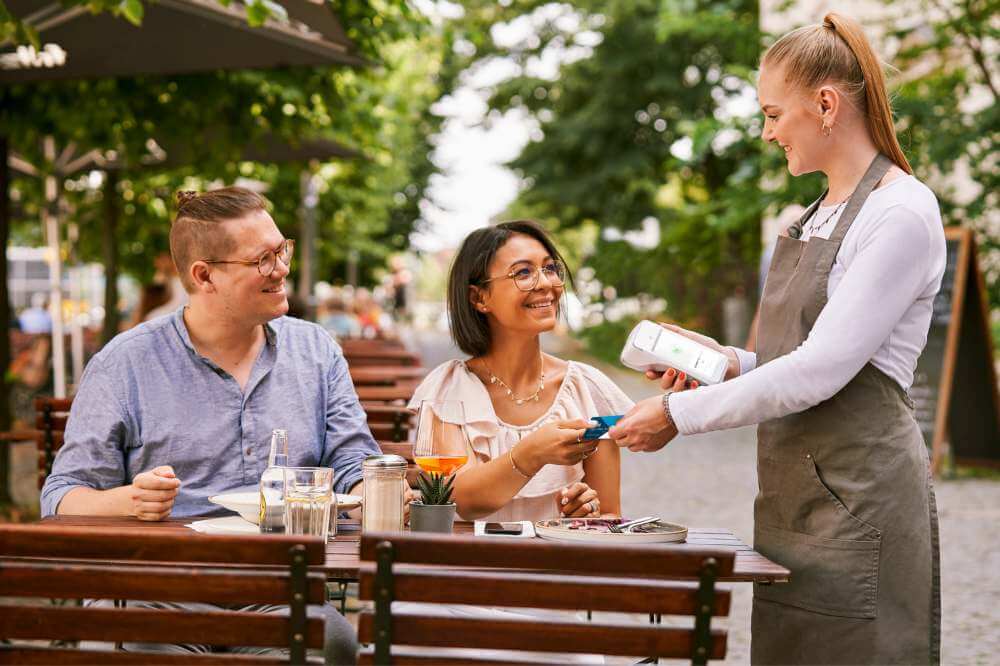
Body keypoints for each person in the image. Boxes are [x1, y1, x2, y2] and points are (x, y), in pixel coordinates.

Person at [610, 13, 942, 664]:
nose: (766, 133)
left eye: (772, 113)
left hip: (861, 500)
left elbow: (820, 372)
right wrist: (725, 363)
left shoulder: (899, 213)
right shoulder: (810, 218)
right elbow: (797, 361)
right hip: (793, 505)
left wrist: (677, 415)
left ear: (825, 105)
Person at [40, 187, 379, 664]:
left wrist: (368, 486)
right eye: (262, 259)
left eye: (281, 250)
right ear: (204, 276)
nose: (281, 268)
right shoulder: (124, 363)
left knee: (331, 643)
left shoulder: (316, 351)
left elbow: (349, 460)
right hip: (156, 586)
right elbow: (60, 497)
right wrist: (129, 500)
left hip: (283, 586)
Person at [410, 220, 683, 523]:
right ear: (479, 298)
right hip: (470, 566)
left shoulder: (586, 388)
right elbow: (460, 498)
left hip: (559, 567)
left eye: (550, 268)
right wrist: (533, 453)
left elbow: (609, 517)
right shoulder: (448, 389)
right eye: (523, 272)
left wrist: (587, 512)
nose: (545, 283)